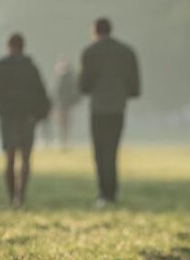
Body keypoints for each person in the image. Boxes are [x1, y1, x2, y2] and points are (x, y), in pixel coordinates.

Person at [0, 32, 51, 208]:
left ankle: (11, 196)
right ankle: (21, 196)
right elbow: (41, 93)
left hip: (7, 115)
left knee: (10, 158)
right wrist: (39, 114)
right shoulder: (30, 67)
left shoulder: (1, 66)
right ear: (23, 46)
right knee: (26, 158)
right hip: (27, 116)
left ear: (9, 46)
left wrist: (4, 95)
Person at [79, 17, 140, 207]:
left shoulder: (89, 52)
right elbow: (135, 87)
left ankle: (103, 193)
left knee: (99, 151)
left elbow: (84, 85)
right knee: (112, 150)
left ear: (95, 31)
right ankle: (112, 192)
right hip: (117, 107)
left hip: (98, 108)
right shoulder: (127, 52)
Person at [52, 58, 81, 151]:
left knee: (63, 124)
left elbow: (58, 92)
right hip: (67, 104)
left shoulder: (62, 78)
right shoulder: (71, 77)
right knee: (67, 124)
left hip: (63, 105)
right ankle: (66, 142)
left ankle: (64, 142)